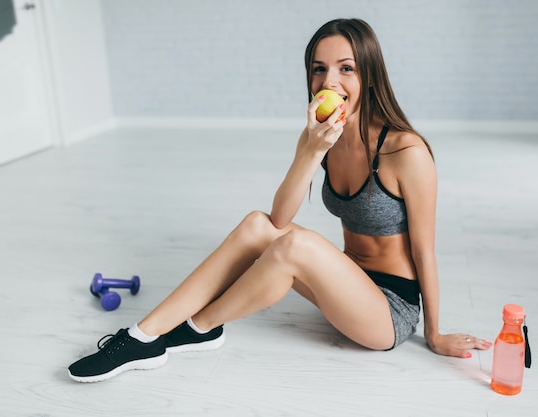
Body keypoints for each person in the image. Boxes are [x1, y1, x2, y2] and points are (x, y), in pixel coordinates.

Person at [68, 18, 491, 383]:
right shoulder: (321, 135)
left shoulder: (405, 152)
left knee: (293, 246)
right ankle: (141, 337)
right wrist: (312, 150)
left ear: (369, 75)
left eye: (346, 69)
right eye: (319, 70)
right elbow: (277, 218)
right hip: (343, 286)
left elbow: (425, 251)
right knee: (257, 223)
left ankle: (198, 327)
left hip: (387, 313)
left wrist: (434, 334)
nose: (330, 82)